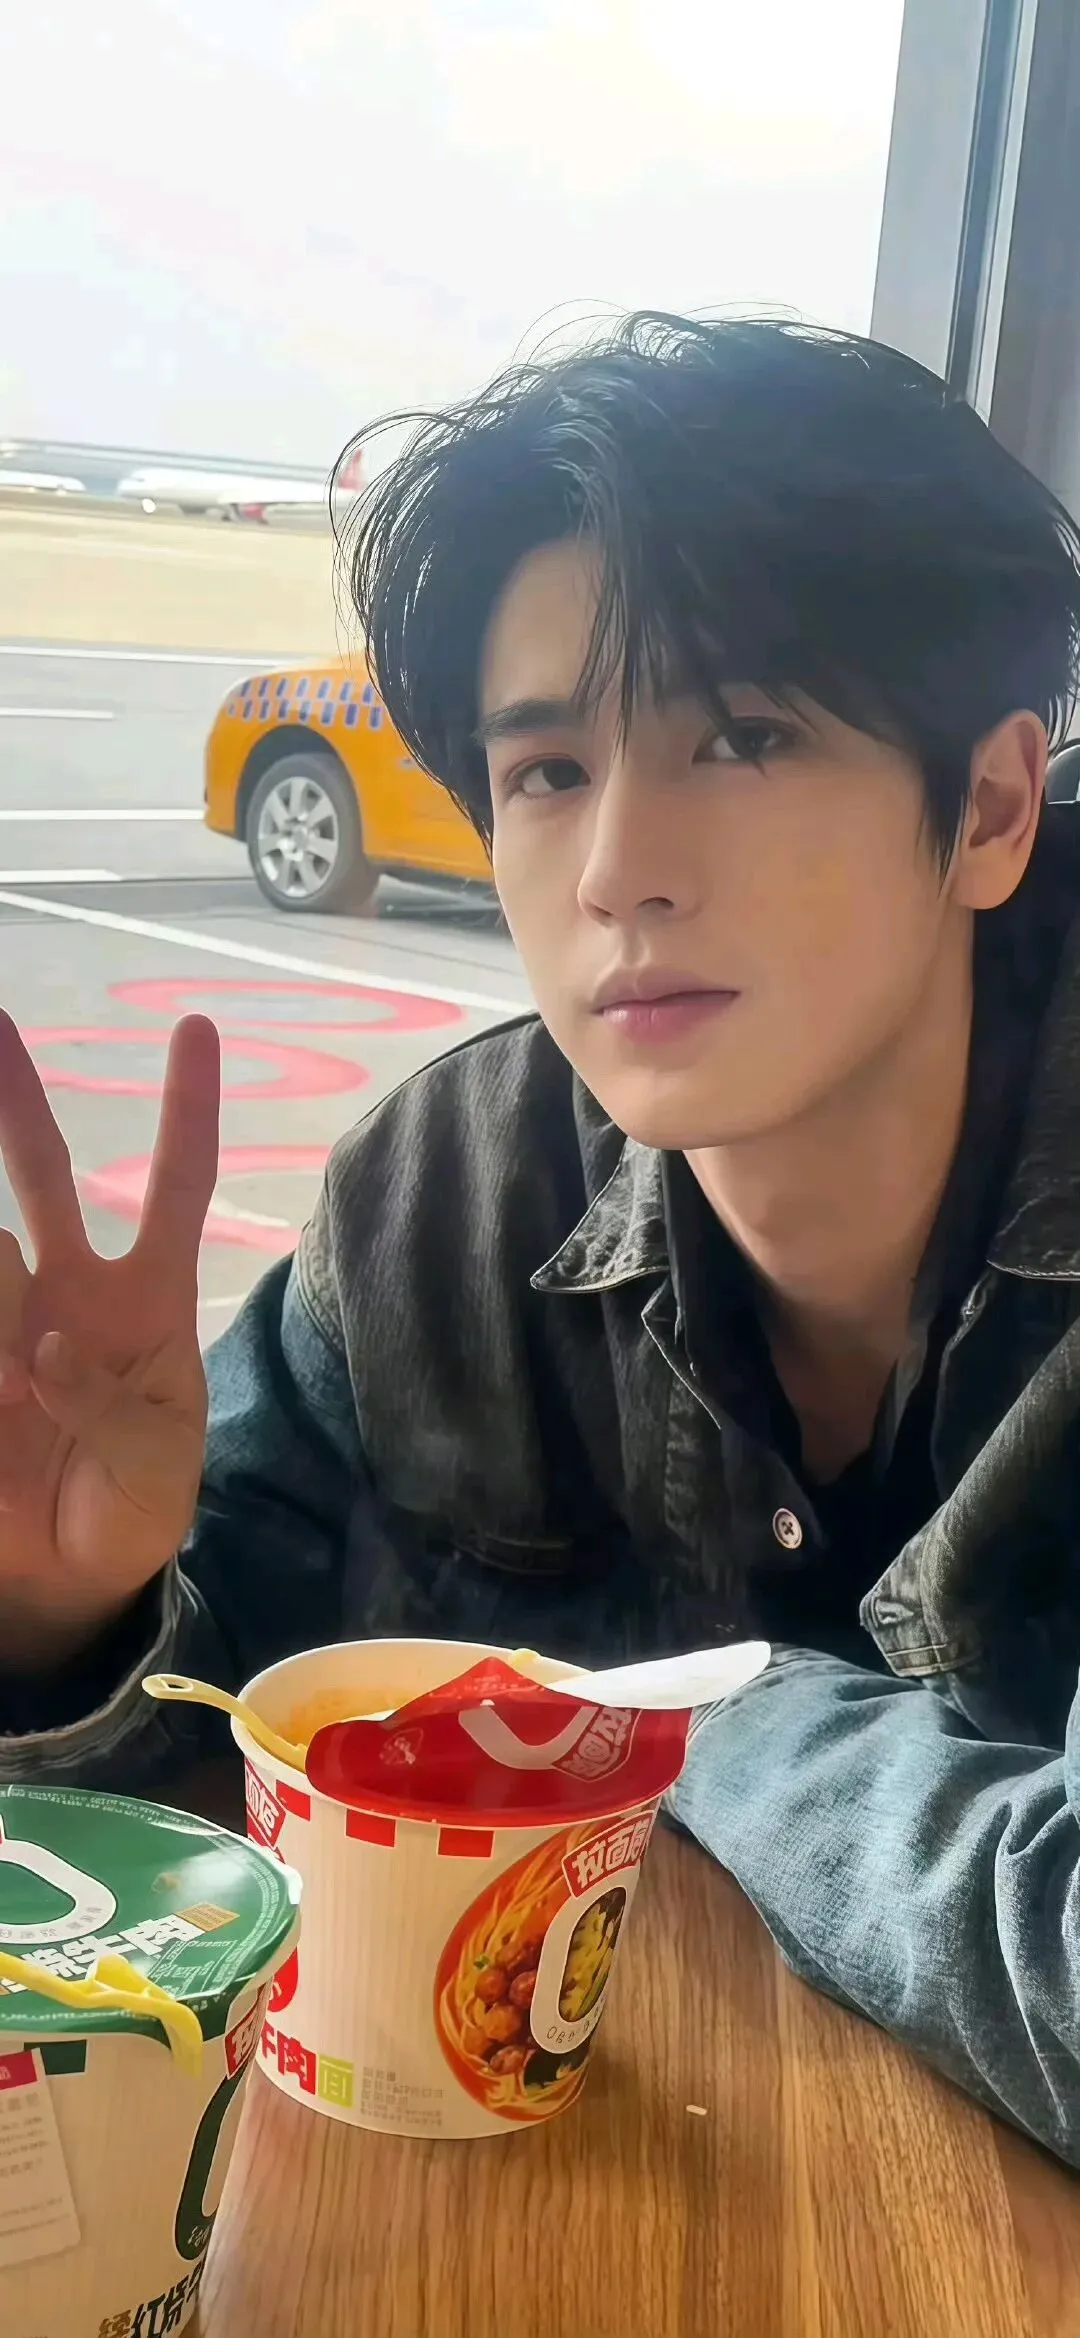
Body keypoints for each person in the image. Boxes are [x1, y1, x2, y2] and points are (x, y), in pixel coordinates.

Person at [3, 312, 1080, 2164]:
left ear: (986, 806)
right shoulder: (443, 1200)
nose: (614, 870)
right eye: (549, 771)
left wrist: (702, 1721)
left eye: (743, 735)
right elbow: (197, 1806)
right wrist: (61, 1611)